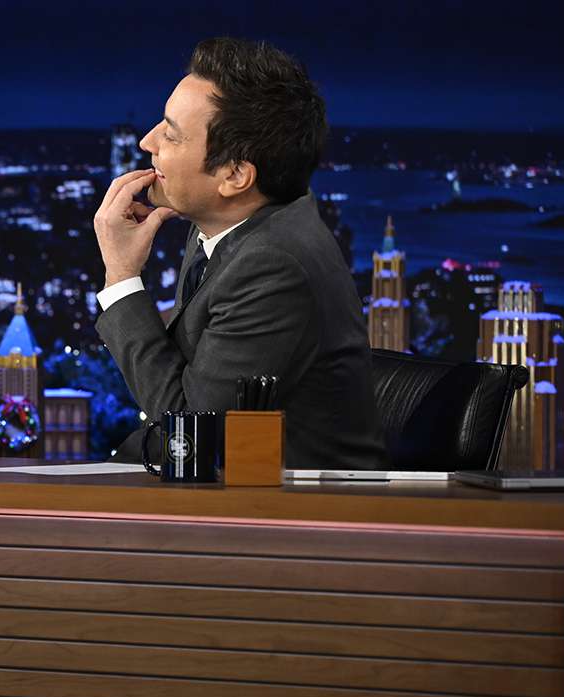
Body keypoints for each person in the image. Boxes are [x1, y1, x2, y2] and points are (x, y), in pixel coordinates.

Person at [92, 37, 387, 469]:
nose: (147, 142)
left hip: (287, 506)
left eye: (171, 134)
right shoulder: (223, 228)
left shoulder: (273, 265)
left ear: (234, 175)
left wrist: (121, 276)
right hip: (216, 487)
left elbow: (192, 434)